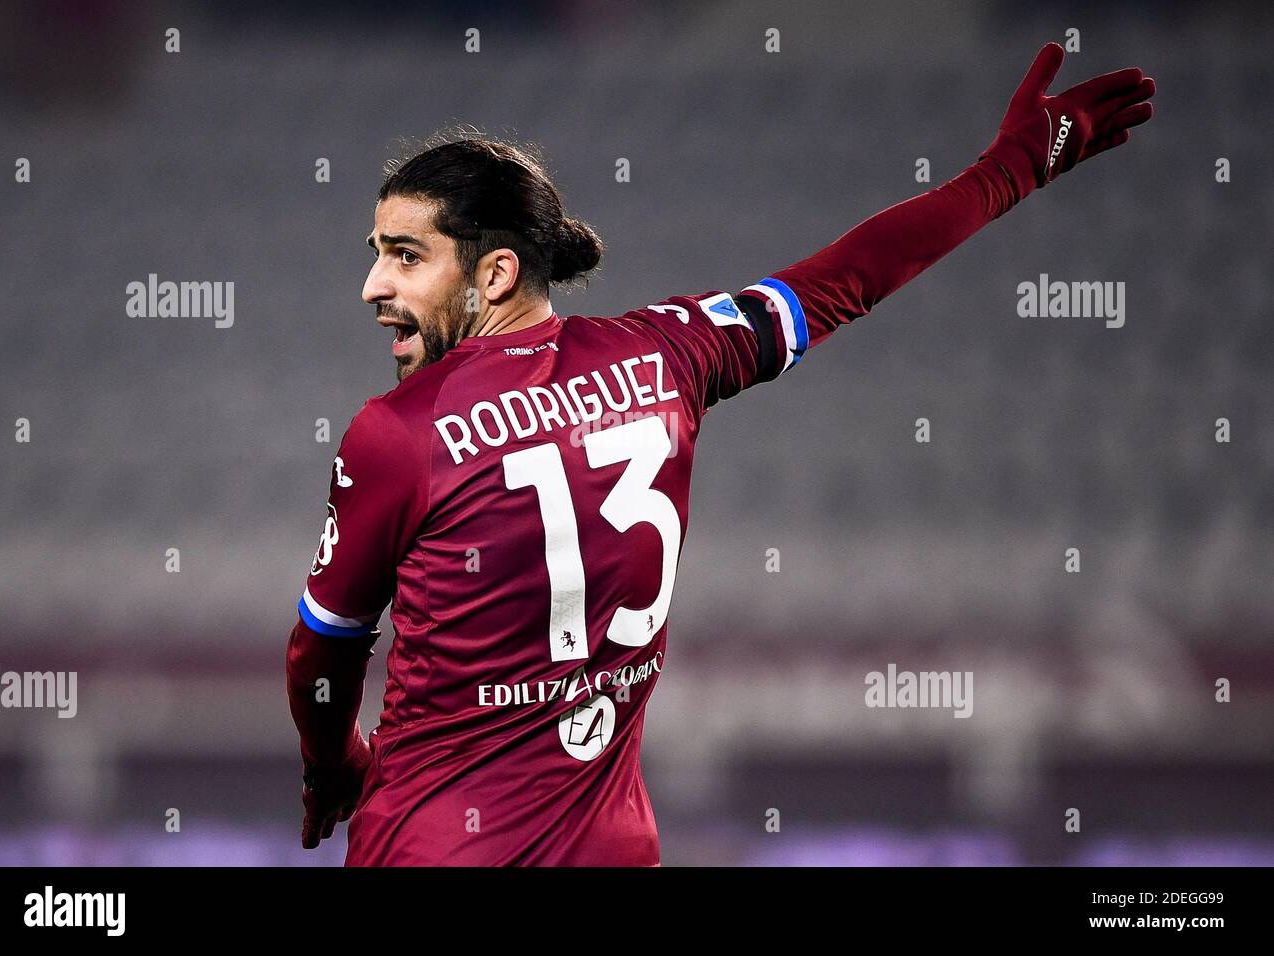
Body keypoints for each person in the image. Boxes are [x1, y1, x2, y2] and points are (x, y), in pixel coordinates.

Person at [285, 42, 1154, 865]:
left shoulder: (399, 433)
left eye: (406, 257)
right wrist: (1016, 166)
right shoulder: (667, 354)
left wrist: (333, 768)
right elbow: (848, 277)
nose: (374, 287)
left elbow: (322, 653)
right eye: (378, 257)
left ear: (497, 274)